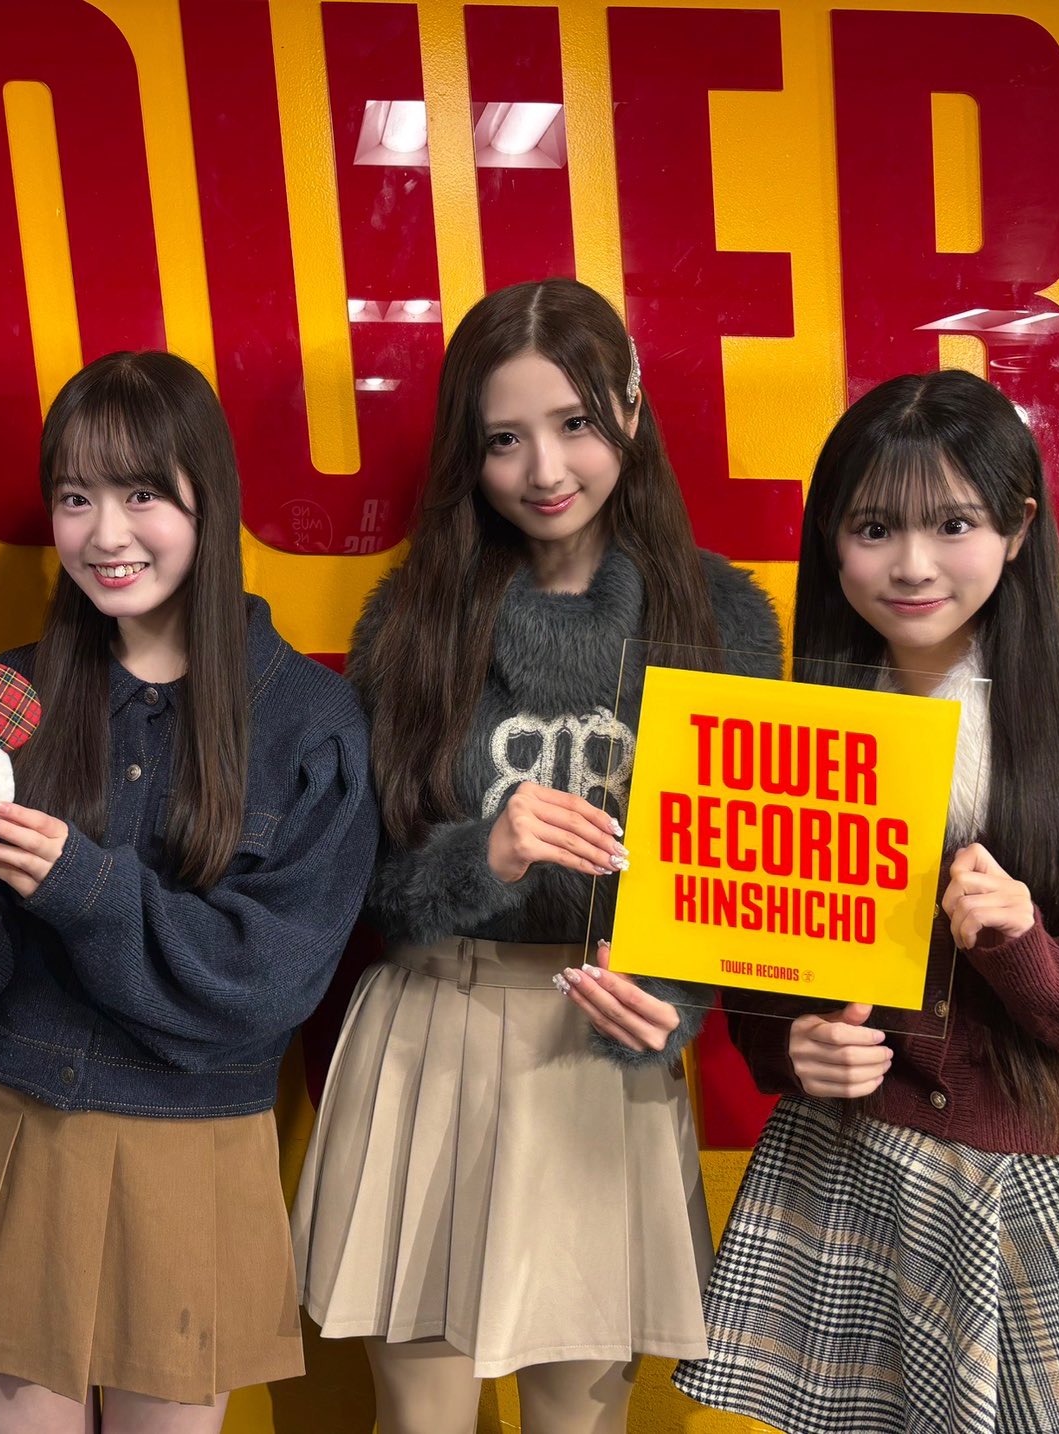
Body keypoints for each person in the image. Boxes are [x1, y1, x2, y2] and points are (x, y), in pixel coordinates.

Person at [673, 369, 1059, 1433]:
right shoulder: (798, 728)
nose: (911, 565)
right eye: (873, 528)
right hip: (853, 1170)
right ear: (830, 541)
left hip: (1054, 1197)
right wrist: (790, 1046)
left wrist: (1031, 952)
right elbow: (758, 970)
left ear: (1016, 528)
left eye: (951, 524)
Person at [292, 278, 782, 1433]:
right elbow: (360, 884)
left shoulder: (719, 620)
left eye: (573, 424)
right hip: (433, 1030)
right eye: (503, 439)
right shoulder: (412, 617)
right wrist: (484, 853)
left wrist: (667, 997)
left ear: (629, 409)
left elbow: (745, 882)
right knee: (420, 1418)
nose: (543, 469)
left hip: (601, 1051)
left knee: (580, 1415)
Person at [0, 350, 378, 1433]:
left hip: (191, 1149)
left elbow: (267, 985)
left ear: (210, 498)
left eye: (142, 493)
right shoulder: (0, 700)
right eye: (76, 498)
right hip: (7, 1127)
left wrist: (83, 885)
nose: (106, 534)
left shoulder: (309, 722)